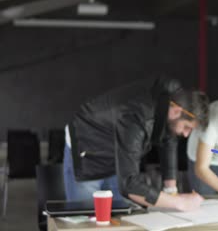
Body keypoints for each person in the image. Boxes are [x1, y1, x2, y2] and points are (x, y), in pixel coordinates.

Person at [63, 75, 209, 211]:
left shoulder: (173, 97)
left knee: (119, 217)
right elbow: (130, 185)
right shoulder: (137, 115)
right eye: (187, 127)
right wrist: (180, 203)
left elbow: (169, 138)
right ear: (176, 111)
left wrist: (171, 191)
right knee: (85, 219)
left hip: (117, 153)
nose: (186, 134)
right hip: (89, 149)